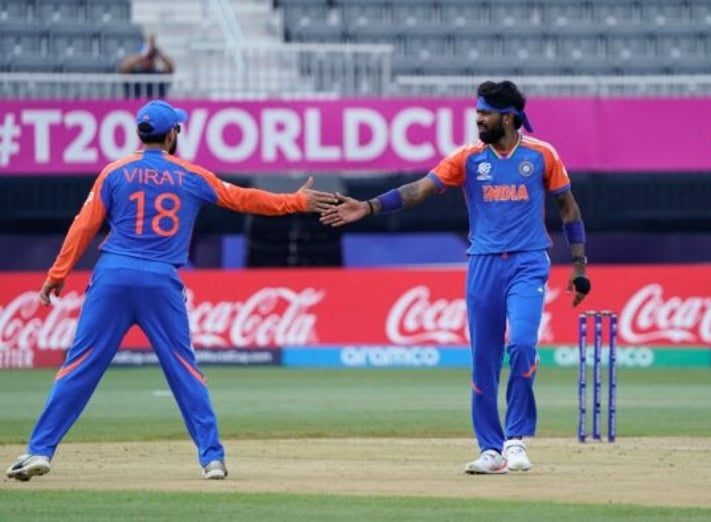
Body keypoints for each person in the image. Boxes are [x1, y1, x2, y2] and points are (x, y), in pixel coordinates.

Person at [5, 100, 338, 482]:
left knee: (80, 366)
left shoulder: (115, 172)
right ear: (172, 134)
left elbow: (84, 226)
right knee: (183, 370)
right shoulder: (190, 175)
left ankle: (39, 450)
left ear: (139, 134)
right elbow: (245, 198)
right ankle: (212, 459)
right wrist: (296, 201)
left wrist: (57, 274)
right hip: (160, 280)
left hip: (113, 275)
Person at [321, 80, 590, 474]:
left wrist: (580, 265)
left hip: (528, 262)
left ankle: (515, 440)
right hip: (482, 263)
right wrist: (368, 206)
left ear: (509, 117)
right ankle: (491, 450)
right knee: (483, 360)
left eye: (485, 113)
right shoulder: (468, 158)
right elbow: (419, 190)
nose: (478, 118)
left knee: (522, 345)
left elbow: (568, 208)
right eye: (477, 111)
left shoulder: (542, 154)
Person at [118, 33, 175, 99]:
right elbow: (123, 68)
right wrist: (143, 54)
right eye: (145, 58)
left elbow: (171, 68)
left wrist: (158, 52)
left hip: (154, 107)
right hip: (134, 107)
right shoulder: (134, 73)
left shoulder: (159, 74)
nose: (146, 60)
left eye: (150, 58)